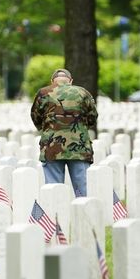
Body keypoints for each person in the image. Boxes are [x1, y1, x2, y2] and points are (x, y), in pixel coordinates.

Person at [30, 68, 97, 197]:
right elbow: (92, 117)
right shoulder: (83, 92)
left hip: (52, 147)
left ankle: (56, 216)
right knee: (83, 191)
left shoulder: (43, 93)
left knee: (54, 191)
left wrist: (49, 128)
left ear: (52, 81)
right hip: (79, 147)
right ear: (70, 81)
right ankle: (85, 216)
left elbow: (36, 117)